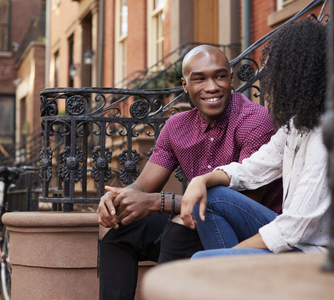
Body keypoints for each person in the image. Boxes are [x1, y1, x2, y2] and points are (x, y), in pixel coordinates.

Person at [97, 44, 283, 299]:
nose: (211, 87)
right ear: (185, 85)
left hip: (250, 231)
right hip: (197, 219)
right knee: (119, 231)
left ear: (230, 77)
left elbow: (240, 203)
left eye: (219, 76)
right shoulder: (177, 126)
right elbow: (143, 186)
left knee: (179, 230)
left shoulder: (254, 120)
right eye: (199, 79)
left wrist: (156, 202)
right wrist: (115, 199)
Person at [180, 20, 334, 258]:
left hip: (322, 254)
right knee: (210, 195)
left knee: (200, 262)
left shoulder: (331, 134)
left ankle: (228, 279)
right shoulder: (297, 126)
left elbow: (293, 228)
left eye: (282, 70)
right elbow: (251, 170)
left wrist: (225, 259)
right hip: (299, 242)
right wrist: (200, 181)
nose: (276, 78)